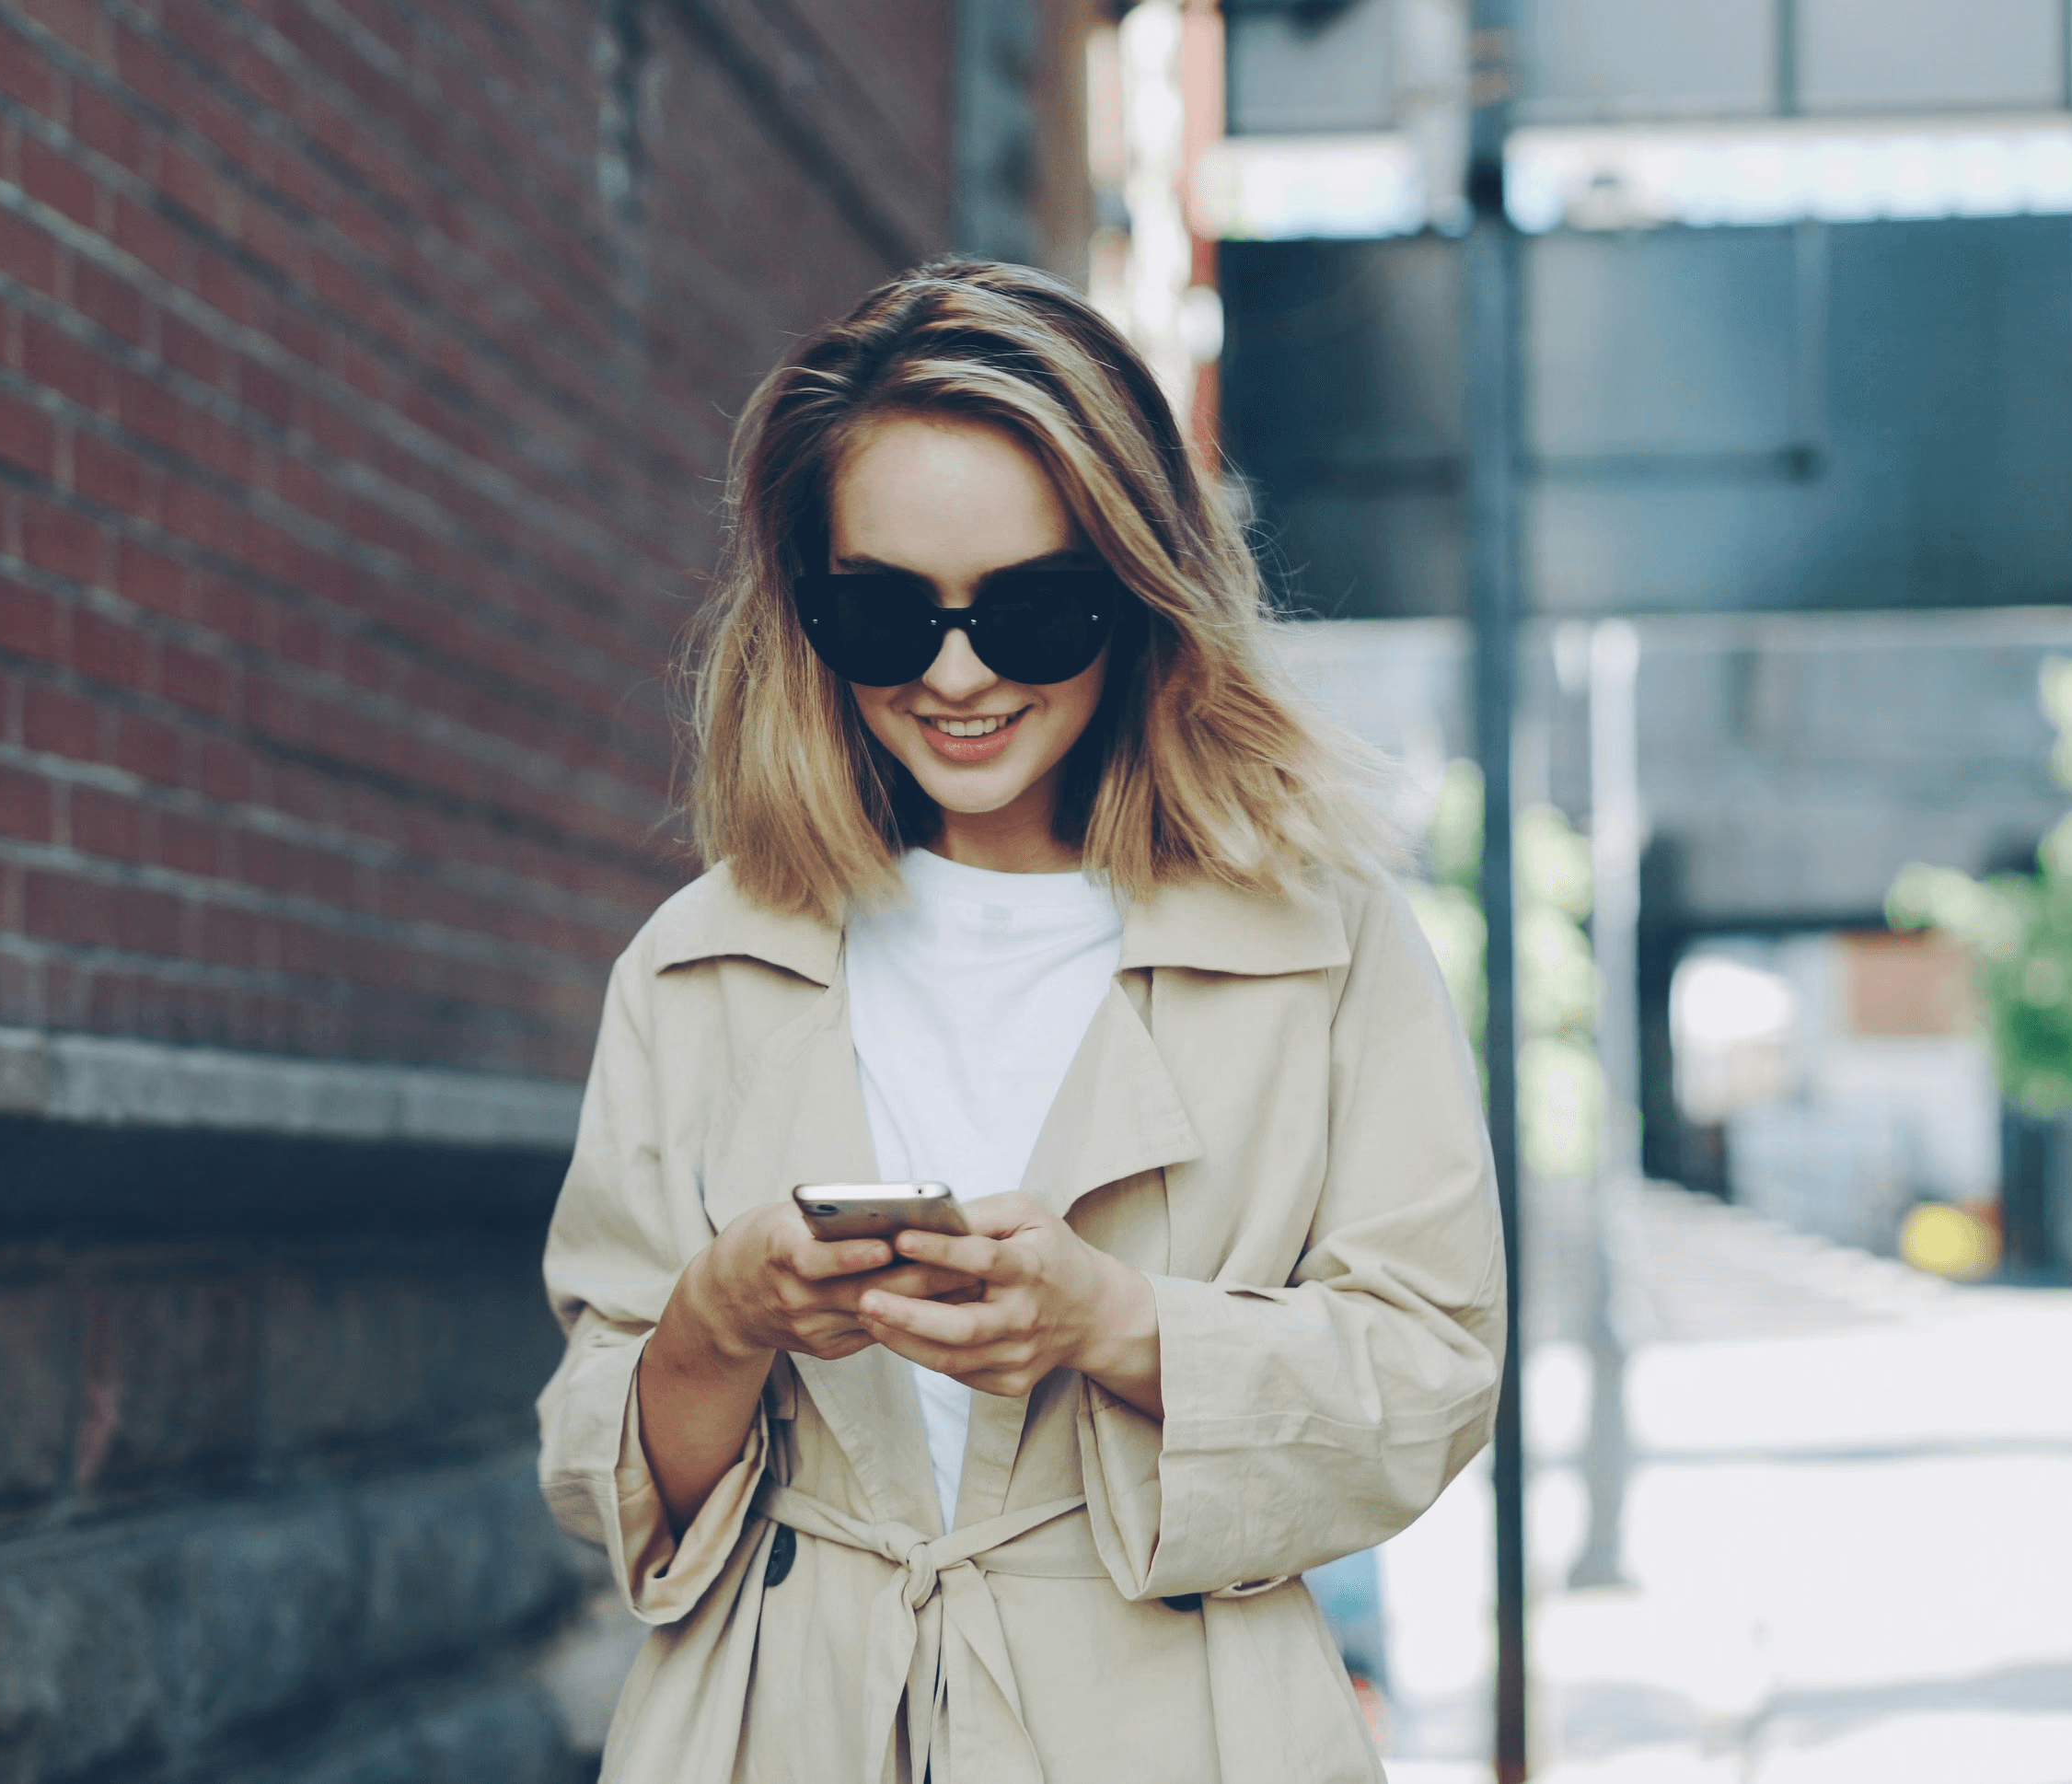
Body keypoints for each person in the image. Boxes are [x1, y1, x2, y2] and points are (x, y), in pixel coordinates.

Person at [535, 260, 1506, 1784]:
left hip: (1179, 1730)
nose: (959, 671)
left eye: (1038, 610)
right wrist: (720, 1318)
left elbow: (1433, 1378)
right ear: (809, 610)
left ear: (1139, 593)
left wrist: (1109, 1323)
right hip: (776, 1730)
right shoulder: (696, 966)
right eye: (883, 615)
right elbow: (607, 1472)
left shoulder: (1324, 942)